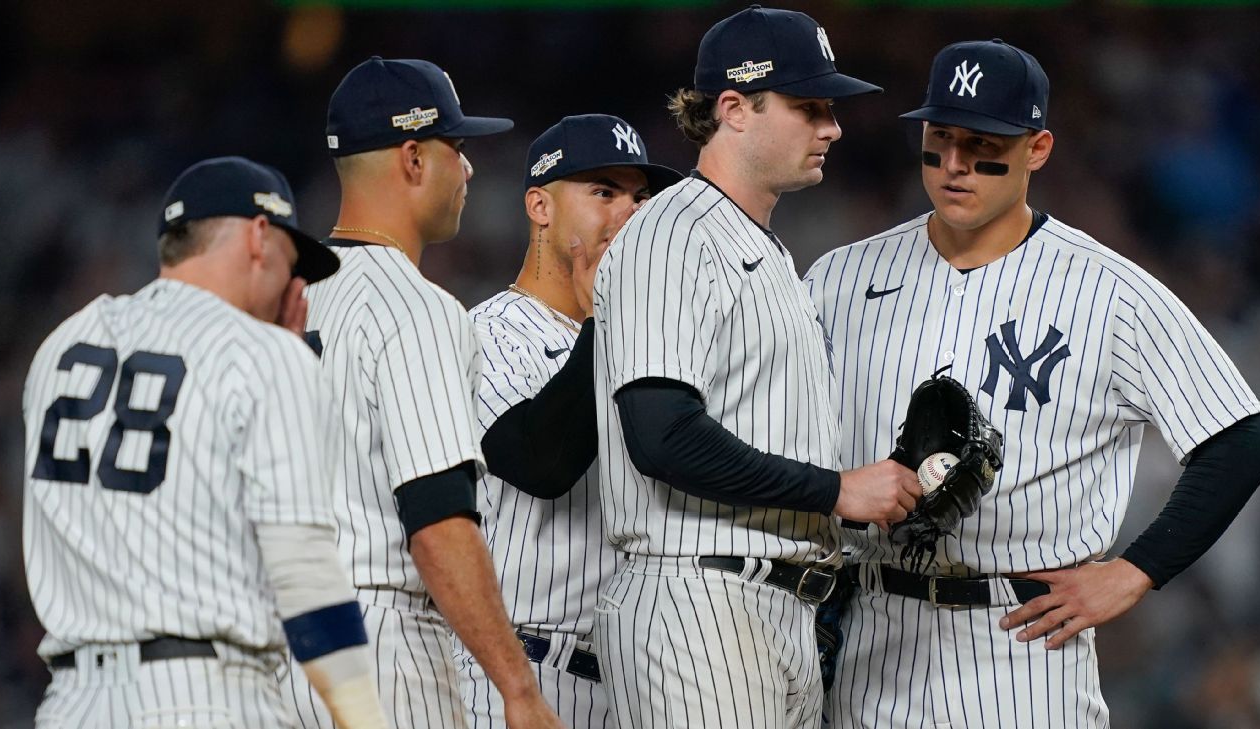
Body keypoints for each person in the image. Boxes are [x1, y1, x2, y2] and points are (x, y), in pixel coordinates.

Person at [803, 39, 1260, 727]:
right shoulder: (840, 276)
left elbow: (1241, 439)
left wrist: (1134, 570)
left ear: (1039, 148)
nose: (957, 164)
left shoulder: (1107, 290)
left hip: (1021, 645)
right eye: (941, 138)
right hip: (873, 634)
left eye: (982, 141)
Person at [590, 7, 920, 728]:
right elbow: (662, 436)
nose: (831, 127)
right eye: (810, 107)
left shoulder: (764, 249)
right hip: (698, 602)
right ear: (734, 109)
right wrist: (836, 490)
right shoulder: (674, 232)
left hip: (771, 608)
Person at [22, 156, 389, 729]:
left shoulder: (61, 347)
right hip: (204, 698)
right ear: (260, 236)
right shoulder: (265, 357)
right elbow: (305, 570)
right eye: (293, 267)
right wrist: (363, 716)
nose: (295, 289)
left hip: (73, 703)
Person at [280, 57, 563, 729]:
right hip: (377, 644)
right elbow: (437, 520)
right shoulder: (417, 309)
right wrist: (518, 686)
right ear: (412, 157)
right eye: (456, 148)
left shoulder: (280, 297)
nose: (467, 170)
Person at [453, 114, 681, 728]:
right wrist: (605, 318)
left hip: (632, 679)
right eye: (603, 192)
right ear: (540, 206)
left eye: (640, 197)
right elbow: (541, 461)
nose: (629, 214)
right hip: (515, 674)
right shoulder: (483, 335)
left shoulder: (648, 346)